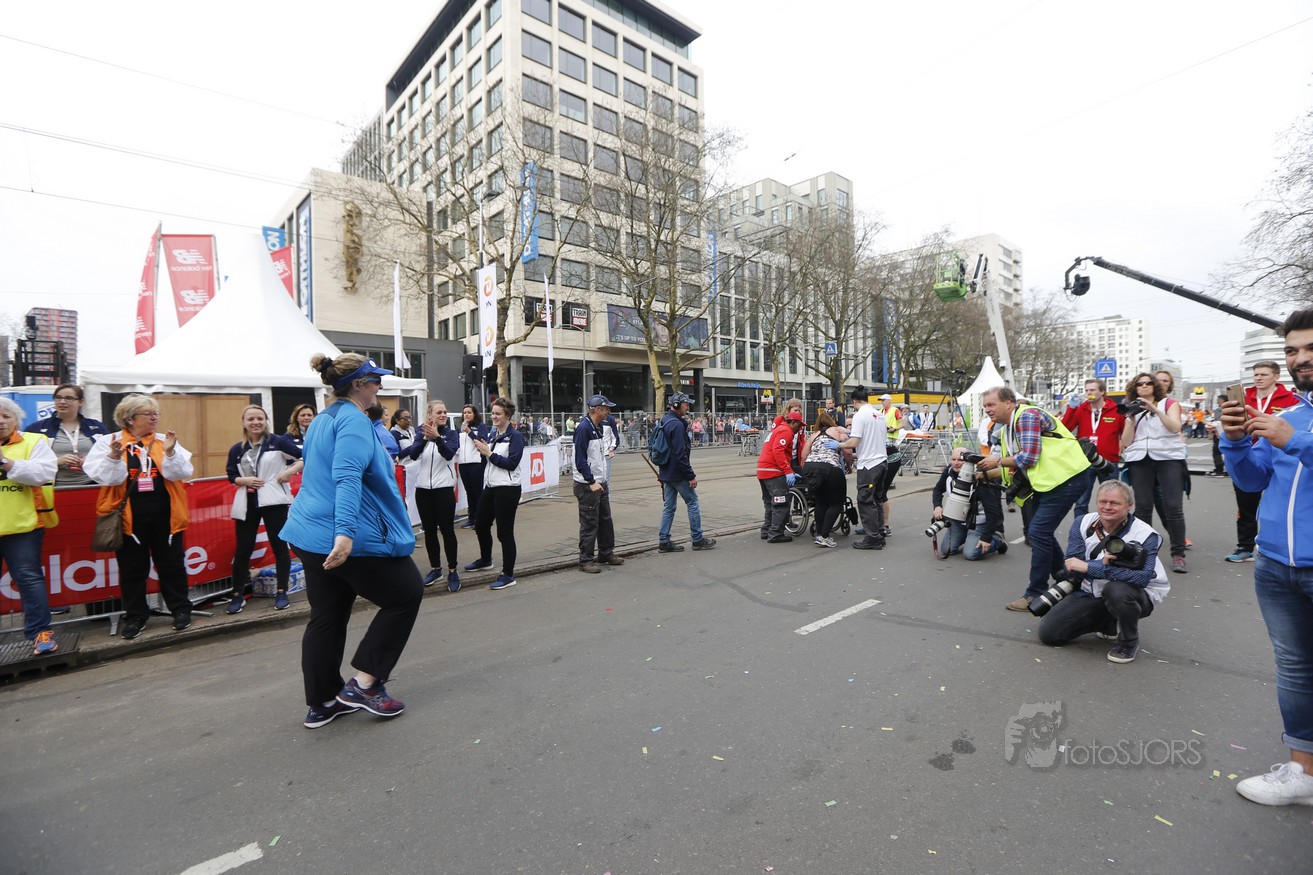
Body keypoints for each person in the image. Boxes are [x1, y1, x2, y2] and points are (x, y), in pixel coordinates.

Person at [280, 353, 423, 729]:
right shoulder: (354, 421)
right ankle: (365, 685)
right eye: (375, 380)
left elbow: (321, 468)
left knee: (327, 616)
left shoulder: (322, 419)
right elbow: (346, 477)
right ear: (358, 385)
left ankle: (323, 702)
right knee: (406, 593)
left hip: (309, 534)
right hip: (346, 536)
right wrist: (344, 534)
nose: (380, 385)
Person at [1219, 307, 1313, 806]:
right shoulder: (1289, 416)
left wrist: (1295, 442)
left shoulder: (1290, 427)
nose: (1300, 359)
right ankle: (1304, 772)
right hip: (1276, 566)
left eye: (1311, 349)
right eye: (1293, 351)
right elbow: (1253, 480)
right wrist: (1235, 442)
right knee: (1295, 669)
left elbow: (1294, 446)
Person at [83, 394, 196, 640]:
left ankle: (180, 609)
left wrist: (171, 453)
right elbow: (107, 478)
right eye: (149, 414)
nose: (155, 418)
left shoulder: (164, 440)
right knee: (133, 569)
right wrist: (113, 457)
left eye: (156, 413)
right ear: (130, 418)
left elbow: (182, 473)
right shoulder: (108, 442)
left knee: (172, 565)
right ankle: (135, 615)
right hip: (128, 519)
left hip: (166, 516)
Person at [976, 386, 1091, 612]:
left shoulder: (1026, 415)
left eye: (991, 404)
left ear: (1008, 403)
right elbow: (1015, 465)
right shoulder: (1008, 428)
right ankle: (1066, 580)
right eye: (985, 406)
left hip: (1067, 478)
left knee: (1038, 532)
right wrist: (985, 472)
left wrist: (996, 461)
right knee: (1041, 532)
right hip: (1052, 482)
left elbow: (1028, 457)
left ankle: (1035, 593)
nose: (987, 409)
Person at [1037, 480, 1170, 664]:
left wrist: (1094, 568)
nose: (1107, 507)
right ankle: (1108, 622)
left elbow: (1142, 578)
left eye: (1114, 503)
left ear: (1129, 506)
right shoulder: (1083, 522)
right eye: (1103, 502)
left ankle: (1128, 642)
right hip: (1091, 589)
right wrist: (1100, 565)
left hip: (1138, 594)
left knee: (1116, 591)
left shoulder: (1146, 535)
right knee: (1050, 634)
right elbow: (1073, 565)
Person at [224, 405, 303, 614]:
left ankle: (282, 591)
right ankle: (237, 594)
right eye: (251, 419)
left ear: (266, 420)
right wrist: (243, 480)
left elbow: (304, 457)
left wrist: (289, 472)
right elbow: (231, 474)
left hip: (273, 499)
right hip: (247, 501)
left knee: (279, 546)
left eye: (259, 418)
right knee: (243, 550)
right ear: (244, 423)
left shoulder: (278, 442)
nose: (255, 422)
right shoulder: (237, 449)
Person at [1, 398, 60, 655]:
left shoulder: (33, 441)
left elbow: (43, 474)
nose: (0, 421)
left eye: (6, 416)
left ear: (16, 420)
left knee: (29, 579)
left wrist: (6, 463)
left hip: (23, 526)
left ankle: (41, 634)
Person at [1225, 361, 1299, 563]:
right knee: (1246, 506)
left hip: (1280, 457)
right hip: (1249, 457)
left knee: (1282, 506)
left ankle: (1282, 548)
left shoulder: (1291, 399)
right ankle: (1245, 547)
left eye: (1263, 374)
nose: (1258, 378)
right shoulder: (1243, 398)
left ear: (1276, 377)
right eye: (1256, 374)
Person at [1120, 373, 1189, 573]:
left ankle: (1178, 554)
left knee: (1173, 507)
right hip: (1140, 459)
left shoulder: (1169, 403)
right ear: (1135, 388)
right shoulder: (1132, 407)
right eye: (1139, 384)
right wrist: (1130, 418)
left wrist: (1155, 410)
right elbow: (1126, 441)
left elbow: (1175, 428)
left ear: (1155, 386)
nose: (1144, 386)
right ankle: (1144, 553)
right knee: (1142, 508)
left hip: (1168, 458)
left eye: (1148, 383)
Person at [464, 397, 525, 590]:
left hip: (508, 488)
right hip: (491, 486)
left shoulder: (515, 436)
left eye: (498, 414)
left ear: (508, 415)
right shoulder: (493, 434)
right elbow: (490, 461)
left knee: (504, 532)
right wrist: (484, 451)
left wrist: (489, 453)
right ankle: (486, 560)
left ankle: (508, 574)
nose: (494, 417)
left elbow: (511, 464)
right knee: (481, 525)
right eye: (493, 413)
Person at [403, 400, 462, 592]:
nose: (443, 415)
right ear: (430, 415)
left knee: (447, 530)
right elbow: (413, 455)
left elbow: (449, 454)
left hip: (443, 489)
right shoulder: (421, 433)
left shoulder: (450, 434)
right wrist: (425, 438)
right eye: (439, 412)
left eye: (444, 412)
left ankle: (453, 570)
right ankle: (436, 568)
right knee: (429, 531)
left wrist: (437, 438)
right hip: (423, 490)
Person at [656, 392, 716, 552]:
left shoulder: (664, 420)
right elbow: (680, 454)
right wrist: (690, 475)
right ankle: (697, 539)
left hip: (666, 471)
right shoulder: (676, 425)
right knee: (693, 502)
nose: (688, 407)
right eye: (685, 404)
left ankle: (664, 541)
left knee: (669, 507)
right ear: (676, 405)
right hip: (678, 473)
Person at [1060, 378, 1126, 518]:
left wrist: (1121, 447)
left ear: (1102, 392)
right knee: (1081, 502)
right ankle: (1081, 528)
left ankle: (1109, 528)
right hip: (1085, 461)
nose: (1089, 393)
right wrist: (1071, 408)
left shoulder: (1115, 410)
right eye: (1087, 390)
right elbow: (1064, 429)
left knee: (1110, 499)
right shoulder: (1081, 409)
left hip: (1108, 460)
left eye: (1092, 390)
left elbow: (1125, 433)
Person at [574, 395, 625, 573]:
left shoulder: (598, 427)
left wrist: (600, 480)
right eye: (606, 409)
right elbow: (580, 460)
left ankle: (606, 552)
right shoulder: (584, 429)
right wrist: (591, 481)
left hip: (600, 481)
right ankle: (585, 560)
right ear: (597, 410)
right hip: (588, 484)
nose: (608, 412)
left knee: (605, 519)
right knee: (590, 523)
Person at [24, 383, 110, 487]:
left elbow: (109, 456)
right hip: (52, 487)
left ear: (81, 402)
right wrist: (56, 462)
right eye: (58, 397)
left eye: (69, 398)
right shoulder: (36, 429)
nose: (62, 402)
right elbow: (26, 464)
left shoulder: (97, 427)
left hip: (92, 485)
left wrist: (90, 461)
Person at [929, 448, 1006, 560]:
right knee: (946, 550)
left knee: (971, 554)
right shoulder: (949, 471)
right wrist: (937, 507)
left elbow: (992, 511)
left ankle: (998, 540)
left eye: (960, 460)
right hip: (958, 521)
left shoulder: (980, 477)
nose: (956, 463)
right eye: (953, 459)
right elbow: (937, 490)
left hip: (978, 522)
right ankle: (967, 537)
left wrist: (986, 538)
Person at [836, 386, 888, 550]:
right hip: (881, 461)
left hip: (869, 464)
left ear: (854, 401)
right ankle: (879, 532)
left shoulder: (859, 415)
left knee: (865, 500)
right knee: (877, 499)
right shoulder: (879, 415)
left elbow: (854, 442)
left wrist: (838, 445)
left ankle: (872, 537)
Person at [800, 410, 851, 547]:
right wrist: (848, 466)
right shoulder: (838, 431)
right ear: (831, 421)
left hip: (811, 468)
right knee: (836, 503)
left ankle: (819, 533)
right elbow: (847, 451)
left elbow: (804, 455)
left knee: (820, 502)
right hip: (830, 468)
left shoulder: (813, 435)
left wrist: (806, 472)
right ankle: (825, 535)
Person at [757, 410, 805, 543]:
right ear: (793, 422)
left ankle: (766, 530)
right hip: (774, 472)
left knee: (769, 503)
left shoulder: (777, 430)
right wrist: (787, 470)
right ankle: (775, 534)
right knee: (780, 503)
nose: (800, 428)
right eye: (799, 425)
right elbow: (778, 450)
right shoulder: (786, 431)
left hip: (763, 470)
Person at [456, 404, 491, 528]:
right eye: (464, 412)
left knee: (477, 492)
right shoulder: (461, 428)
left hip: (476, 462)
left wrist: (469, 432)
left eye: (469, 412)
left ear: (474, 414)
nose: (466, 415)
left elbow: (481, 441)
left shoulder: (481, 426)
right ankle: (472, 518)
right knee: (469, 492)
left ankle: (481, 519)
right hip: (463, 463)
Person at [1207, 394, 1228, 476]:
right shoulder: (1230, 408)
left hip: (1219, 433)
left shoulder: (1219, 409)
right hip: (1229, 433)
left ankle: (1219, 470)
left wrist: (1211, 433)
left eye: (1218, 400)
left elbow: (1217, 423)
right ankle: (1229, 469)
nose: (1217, 401)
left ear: (1222, 400)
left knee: (1216, 452)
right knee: (1228, 452)